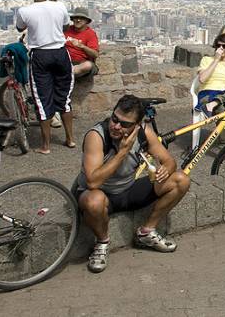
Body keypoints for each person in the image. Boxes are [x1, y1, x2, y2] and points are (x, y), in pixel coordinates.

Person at [73, 95, 191, 273]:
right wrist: (123, 152)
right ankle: (102, 242)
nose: (116, 126)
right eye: (114, 119)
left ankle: (147, 232)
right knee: (94, 201)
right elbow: (92, 182)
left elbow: (169, 161)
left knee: (181, 180)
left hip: (127, 190)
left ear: (136, 125)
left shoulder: (144, 132)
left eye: (125, 124)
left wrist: (165, 169)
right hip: (98, 194)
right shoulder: (96, 135)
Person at [14, 0, 75, 154]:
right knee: (64, 98)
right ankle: (70, 139)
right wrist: (54, 5)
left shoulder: (25, 11)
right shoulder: (60, 6)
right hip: (61, 53)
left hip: (40, 55)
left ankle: (46, 146)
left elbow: (20, 28)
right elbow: (65, 26)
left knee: (42, 99)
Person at [196, 34, 225, 113]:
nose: (220, 48)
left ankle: (215, 103)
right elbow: (202, 79)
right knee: (222, 108)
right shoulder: (207, 60)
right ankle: (216, 103)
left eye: (224, 46)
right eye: (218, 45)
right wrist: (216, 60)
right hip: (208, 93)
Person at [65, 7, 99, 79]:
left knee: (87, 65)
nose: (78, 20)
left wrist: (82, 46)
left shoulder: (90, 34)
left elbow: (95, 54)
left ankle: (65, 73)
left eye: (81, 18)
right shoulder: (67, 30)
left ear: (86, 21)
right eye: (76, 18)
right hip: (65, 61)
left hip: (81, 62)